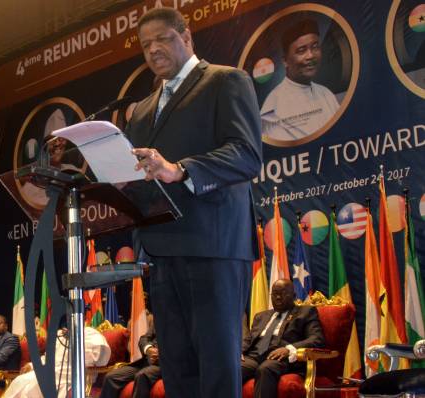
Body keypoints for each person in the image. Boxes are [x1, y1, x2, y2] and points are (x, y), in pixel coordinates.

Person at [126, 7, 262, 398]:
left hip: (213, 244)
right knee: (178, 371)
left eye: (162, 39)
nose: (153, 50)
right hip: (163, 249)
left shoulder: (225, 81)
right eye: (145, 45)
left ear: (186, 37)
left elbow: (246, 154)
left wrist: (180, 169)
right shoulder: (144, 110)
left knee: (217, 369)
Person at [241, 279, 325, 398]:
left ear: (294, 296)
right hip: (254, 356)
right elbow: (249, 339)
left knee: (265, 369)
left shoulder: (306, 312)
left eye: (283, 294)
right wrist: (239, 351)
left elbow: (317, 339)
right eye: (275, 294)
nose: (278, 297)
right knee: (234, 367)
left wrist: (288, 349)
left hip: (280, 358)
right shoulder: (261, 316)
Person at [260, 18, 340, 142]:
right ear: (285, 61)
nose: (311, 56)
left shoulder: (326, 94)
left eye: (315, 47)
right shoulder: (273, 106)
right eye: (301, 51)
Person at [3, 326, 111, 398]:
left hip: (73, 373)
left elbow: (98, 360)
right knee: (20, 380)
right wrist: (31, 365)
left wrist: (75, 338)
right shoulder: (59, 335)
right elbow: (48, 358)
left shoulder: (90, 334)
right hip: (53, 371)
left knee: (36, 384)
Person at [99, 325, 161, 398]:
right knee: (111, 377)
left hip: (162, 365)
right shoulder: (160, 319)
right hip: (144, 362)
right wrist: (148, 349)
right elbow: (144, 338)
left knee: (142, 375)